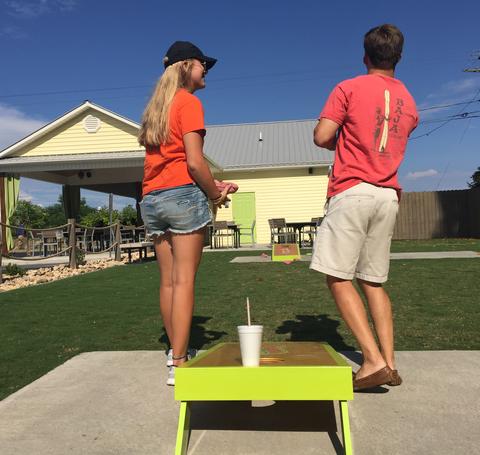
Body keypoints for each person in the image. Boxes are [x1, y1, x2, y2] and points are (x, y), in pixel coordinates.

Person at [311, 24, 418, 391]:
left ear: (365, 55)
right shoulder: (410, 101)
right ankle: (389, 362)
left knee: (338, 275)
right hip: (387, 195)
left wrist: (342, 140)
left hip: (352, 189)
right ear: (398, 57)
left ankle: (371, 362)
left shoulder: (348, 87)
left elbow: (323, 135)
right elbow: (393, 137)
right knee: (373, 281)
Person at [138, 41, 230, 386]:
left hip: (152, 198)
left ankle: (173, 354)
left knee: (168, 280)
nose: (206, 69)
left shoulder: (155, 110)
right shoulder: (190, 103)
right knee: (185, 280)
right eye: (202, 64)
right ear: (186, 66)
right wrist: (214, 192)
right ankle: (179, 363)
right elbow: (193, 162)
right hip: (183, 197)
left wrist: (215, 183)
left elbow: (171, 162)